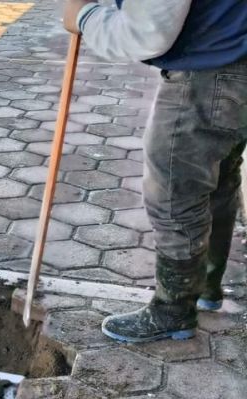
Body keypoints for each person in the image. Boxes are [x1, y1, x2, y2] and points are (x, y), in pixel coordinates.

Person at [64, 0, 247, 342]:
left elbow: (147, 31)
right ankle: (206, 286)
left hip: (209, 71)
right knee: (219, 179)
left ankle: (173, 311)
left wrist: (84, 15)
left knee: (176, 191)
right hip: (235, 57)